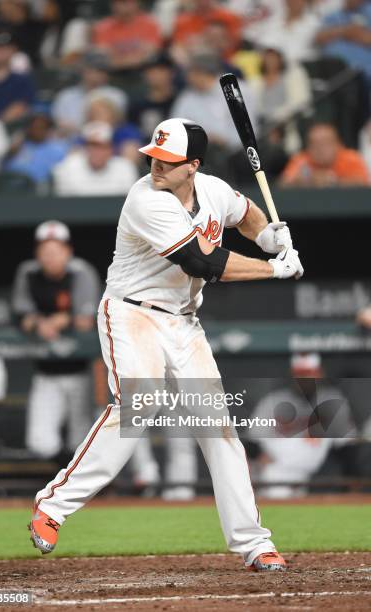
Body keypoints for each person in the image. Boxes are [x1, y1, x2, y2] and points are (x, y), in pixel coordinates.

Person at [29, 116, 304, 571]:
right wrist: (274, 267)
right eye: (153, 157)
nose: (156, 166)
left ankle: (254, 543)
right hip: (131, 311)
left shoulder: (213, 190)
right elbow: (203, 262)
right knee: (140, 404)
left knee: (219, 429)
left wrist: (265, 235)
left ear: (192, 166)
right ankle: (52, 504)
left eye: (167, 161)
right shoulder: (146, 200)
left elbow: (245, 211)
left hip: (183, 321)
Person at [12, 221, 100, 460]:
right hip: (46, 372)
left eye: (56, 250)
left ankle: (78, 488)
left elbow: (85, 319)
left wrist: (59, 321)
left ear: (67, 251)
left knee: (81, 442)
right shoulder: (28, 272)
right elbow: (21, 315)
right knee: (40, 442)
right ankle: (61, 481)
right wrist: (39, 323)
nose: (50, 256)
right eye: (44, 250)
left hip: (80, 371)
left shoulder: (81, 272)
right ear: (37, 252)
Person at [250, 353, 356, 499]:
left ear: (319, 373)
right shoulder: (273, 401)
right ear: (292, 375)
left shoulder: (333, 399)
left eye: (309, 373)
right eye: (300, 374)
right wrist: (258, 458)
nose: (304, 379)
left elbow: (347, 445)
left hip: (316, 471)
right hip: (276, 468)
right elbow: (254, 441)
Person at [171, 53, 257, 151]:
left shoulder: (235, 89)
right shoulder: (186, 97)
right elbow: (175, 129)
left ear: (203, 72)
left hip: (237, 152)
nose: (187, 78)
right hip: (199, 153)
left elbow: (249, 131)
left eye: (191, 73)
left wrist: (223, 139)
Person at [250, 48, 312, 154]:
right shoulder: (255, 82)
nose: (270, 61)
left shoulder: (292, 77)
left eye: (274, 58)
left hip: (286, 121)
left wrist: (276, 118)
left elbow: (301, 102)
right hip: (262, 124)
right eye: (267, 58)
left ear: (280, 59)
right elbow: (253, 108)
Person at [52, 50, 127, 135]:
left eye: (102, 70)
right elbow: (61, 126)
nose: (97, 74)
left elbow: (115, 125)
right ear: (83, 70)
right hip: (69, 142)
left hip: (105, 141)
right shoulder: (66, 96)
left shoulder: (116, 95)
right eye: (93, 69)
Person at [52, 121, 139, 196]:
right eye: (92, 146)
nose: (97, 152)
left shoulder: (125, 168)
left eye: (102, 147)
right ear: (85, 149)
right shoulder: (67, 167)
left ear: (111, 149)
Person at [281, 122, 370, 186]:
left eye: (325, 143)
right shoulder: (301, 160)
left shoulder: (350, 158)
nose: (320, 149)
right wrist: (308, 180)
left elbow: (363, 182)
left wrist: (333, 180)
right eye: (314, 144)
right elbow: (284, 184)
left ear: (338, 144)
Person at [91, 0, 163, 71]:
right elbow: (102, 54)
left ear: (136, 3)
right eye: (120, 2)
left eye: (126, 2)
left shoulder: (150, 24)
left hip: (143, 71)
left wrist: (119, 56)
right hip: (111, 72)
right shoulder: (103, 26)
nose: (123, 6)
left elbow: (152, 52)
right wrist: (134, 57)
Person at [4, 108, 70, 184]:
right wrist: (11, 152)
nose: (38, 131)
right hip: (12, 188)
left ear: (48, 129)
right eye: (35, 127)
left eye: (42, 127)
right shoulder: (18, 147)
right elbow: (6, 169)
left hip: (42, 191)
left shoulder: (58, 150)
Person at [171, 0, 242, 66]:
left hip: (225, 64)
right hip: (193, 67)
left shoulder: (229, 18)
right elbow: (178, 49)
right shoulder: (183, 21)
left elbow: (234, 46)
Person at [315, 0, 371, 84]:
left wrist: (360, 35)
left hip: (362, 76)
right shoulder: (335, 15)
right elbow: (319, 38)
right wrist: (344, 31)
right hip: (333, 74)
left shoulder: (368, 11)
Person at [129, 52, 179, 141]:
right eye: (151, 71)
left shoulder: (181, 100)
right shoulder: (137, 105)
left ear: (172, 73)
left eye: (160, 70)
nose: (155, 75)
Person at [256, 0, 321, 63]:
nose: (294, 2)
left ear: (305, 2)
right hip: (271, 66)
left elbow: (302, 50)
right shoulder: (273, 21)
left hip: (301, 66)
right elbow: (264, 44)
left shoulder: (314, 23)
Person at [85, 95, 142, 164]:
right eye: (93, 114)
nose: (96, 117)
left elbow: (130, 161)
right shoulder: (85, 134)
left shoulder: (127, 132)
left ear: (113, 114)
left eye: (100, 113)